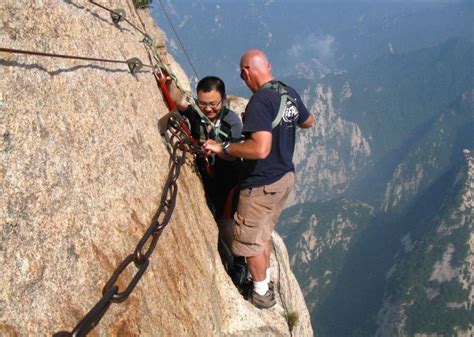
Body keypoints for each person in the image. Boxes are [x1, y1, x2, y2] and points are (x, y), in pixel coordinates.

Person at [204, 49, 315, 309]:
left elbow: (260, 149)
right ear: (268, 66)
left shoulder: (260, 102)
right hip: (283, 177)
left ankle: (261, 293)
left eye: (241, 75)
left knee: (250, 241)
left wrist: (225, 148)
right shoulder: (287, 93)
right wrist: (283, 125)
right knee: (263, 234)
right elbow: (308, 121)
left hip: (262, 182)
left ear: (246, 72)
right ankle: (263, 282)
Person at [162, 74, 249, 287]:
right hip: (208, 176)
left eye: (213, 104)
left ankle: (238, 262)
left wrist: (219, 150)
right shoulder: (197, 113)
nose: (208, 108)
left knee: (225, 222)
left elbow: (238, 152)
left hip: (229, 178)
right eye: (203, 103)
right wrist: (167, 82)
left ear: (223, 99)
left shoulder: (231, 122)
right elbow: (179, 100)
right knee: (217, 216)